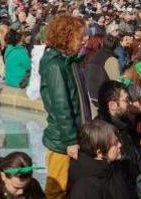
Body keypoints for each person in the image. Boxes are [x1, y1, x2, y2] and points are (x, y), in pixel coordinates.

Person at [40, 14, 90, 199]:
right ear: (67, 36)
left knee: (72, 186)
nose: (86, 38)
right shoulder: (55, 65)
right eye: (81, 35)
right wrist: (70, 141)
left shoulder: (68, 61)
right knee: (56, 190)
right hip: (63, 141)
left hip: (74, 136)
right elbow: (60, 107)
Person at [66, 120, 131, 199]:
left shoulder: (114, 166)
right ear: (99, 152)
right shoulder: (86, 186)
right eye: (115, 143)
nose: (120, 145)